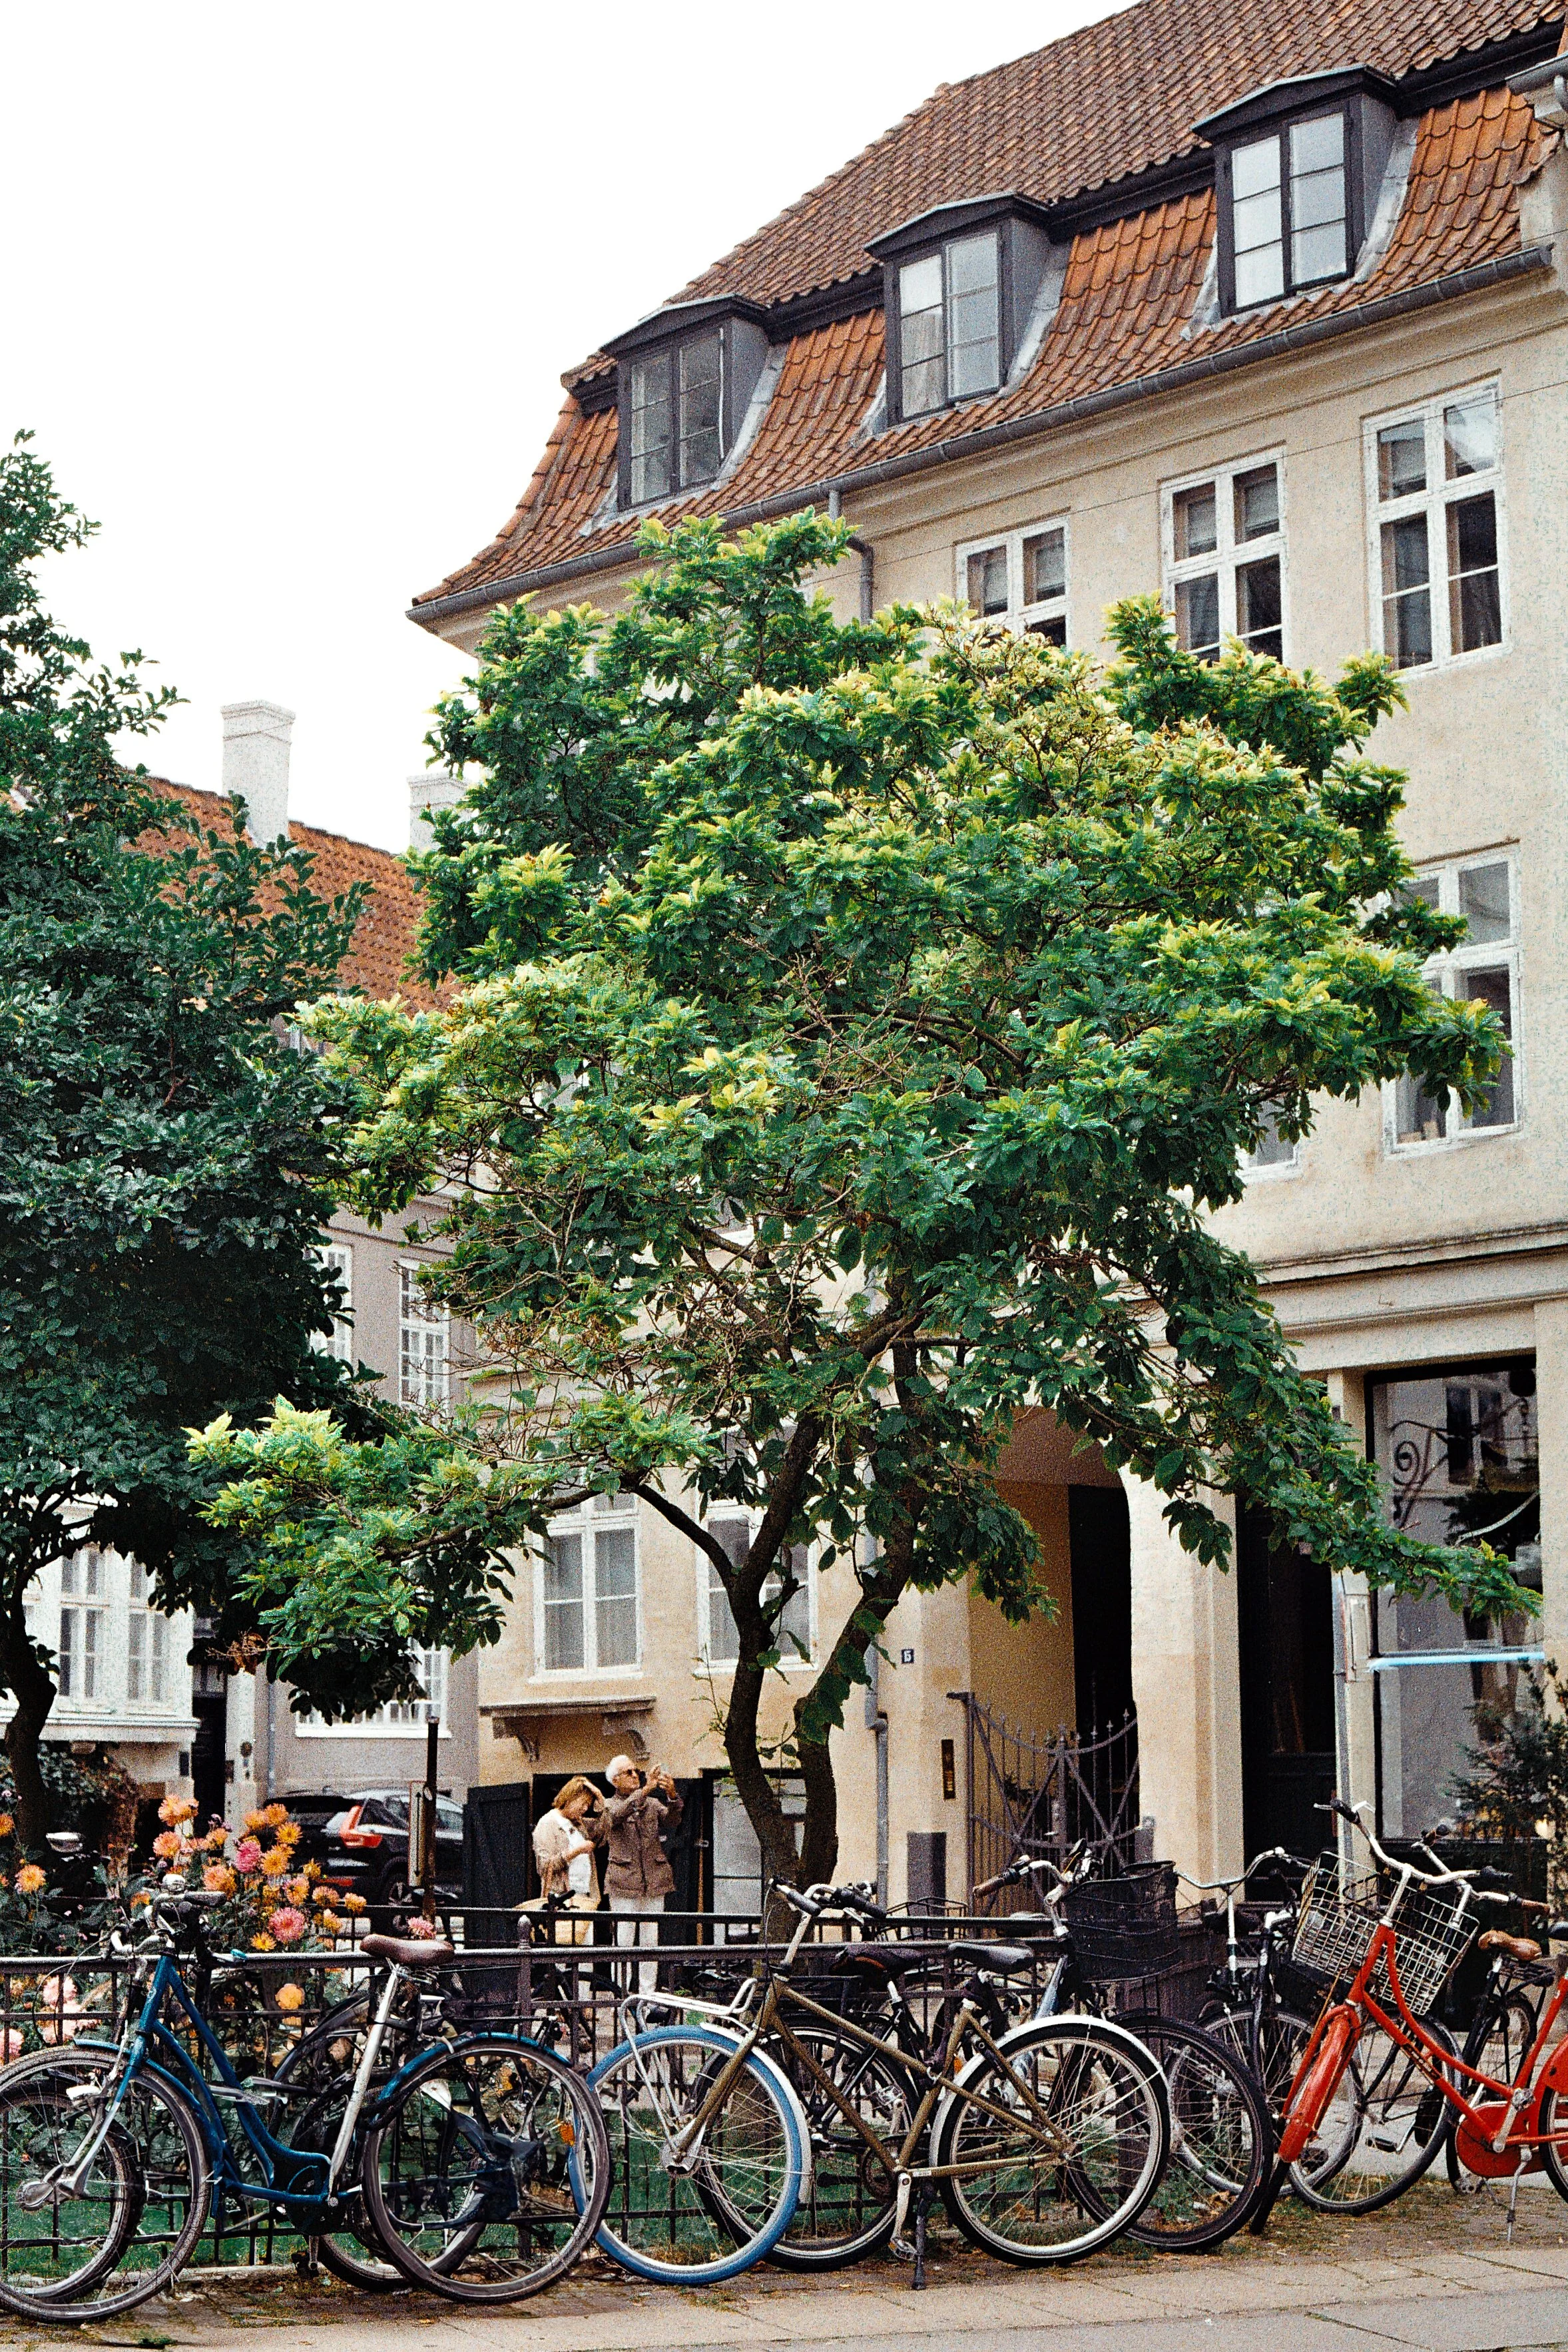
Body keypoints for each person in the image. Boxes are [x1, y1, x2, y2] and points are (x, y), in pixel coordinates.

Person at [603, 1756, 682, 1993]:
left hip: (654, 1880)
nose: (636, 1775)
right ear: (615, 1781)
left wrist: (671, 1795)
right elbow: (616, 1816)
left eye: (636, 1771)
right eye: (629, 1773)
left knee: (651, 1942)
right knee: (624, 1943)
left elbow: (673, 1820)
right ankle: (620, 1996)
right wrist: (647, 1789)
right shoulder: (609, 1804)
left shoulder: (650, 1804)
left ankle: (647, 1997)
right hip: (624, 1881)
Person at [529, 1774, 605, 1945]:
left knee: (585, 1955)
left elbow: (605, 1827)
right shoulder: (548, 1823)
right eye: (583, 1803)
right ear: (570, 1797)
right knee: (563, 1950)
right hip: (561, 1898)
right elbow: (544, 1866)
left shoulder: (579, 1823)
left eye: (589, 1805)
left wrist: (599, 1798)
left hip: (584, 1898)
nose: (585, 1809)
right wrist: (577, 1851)